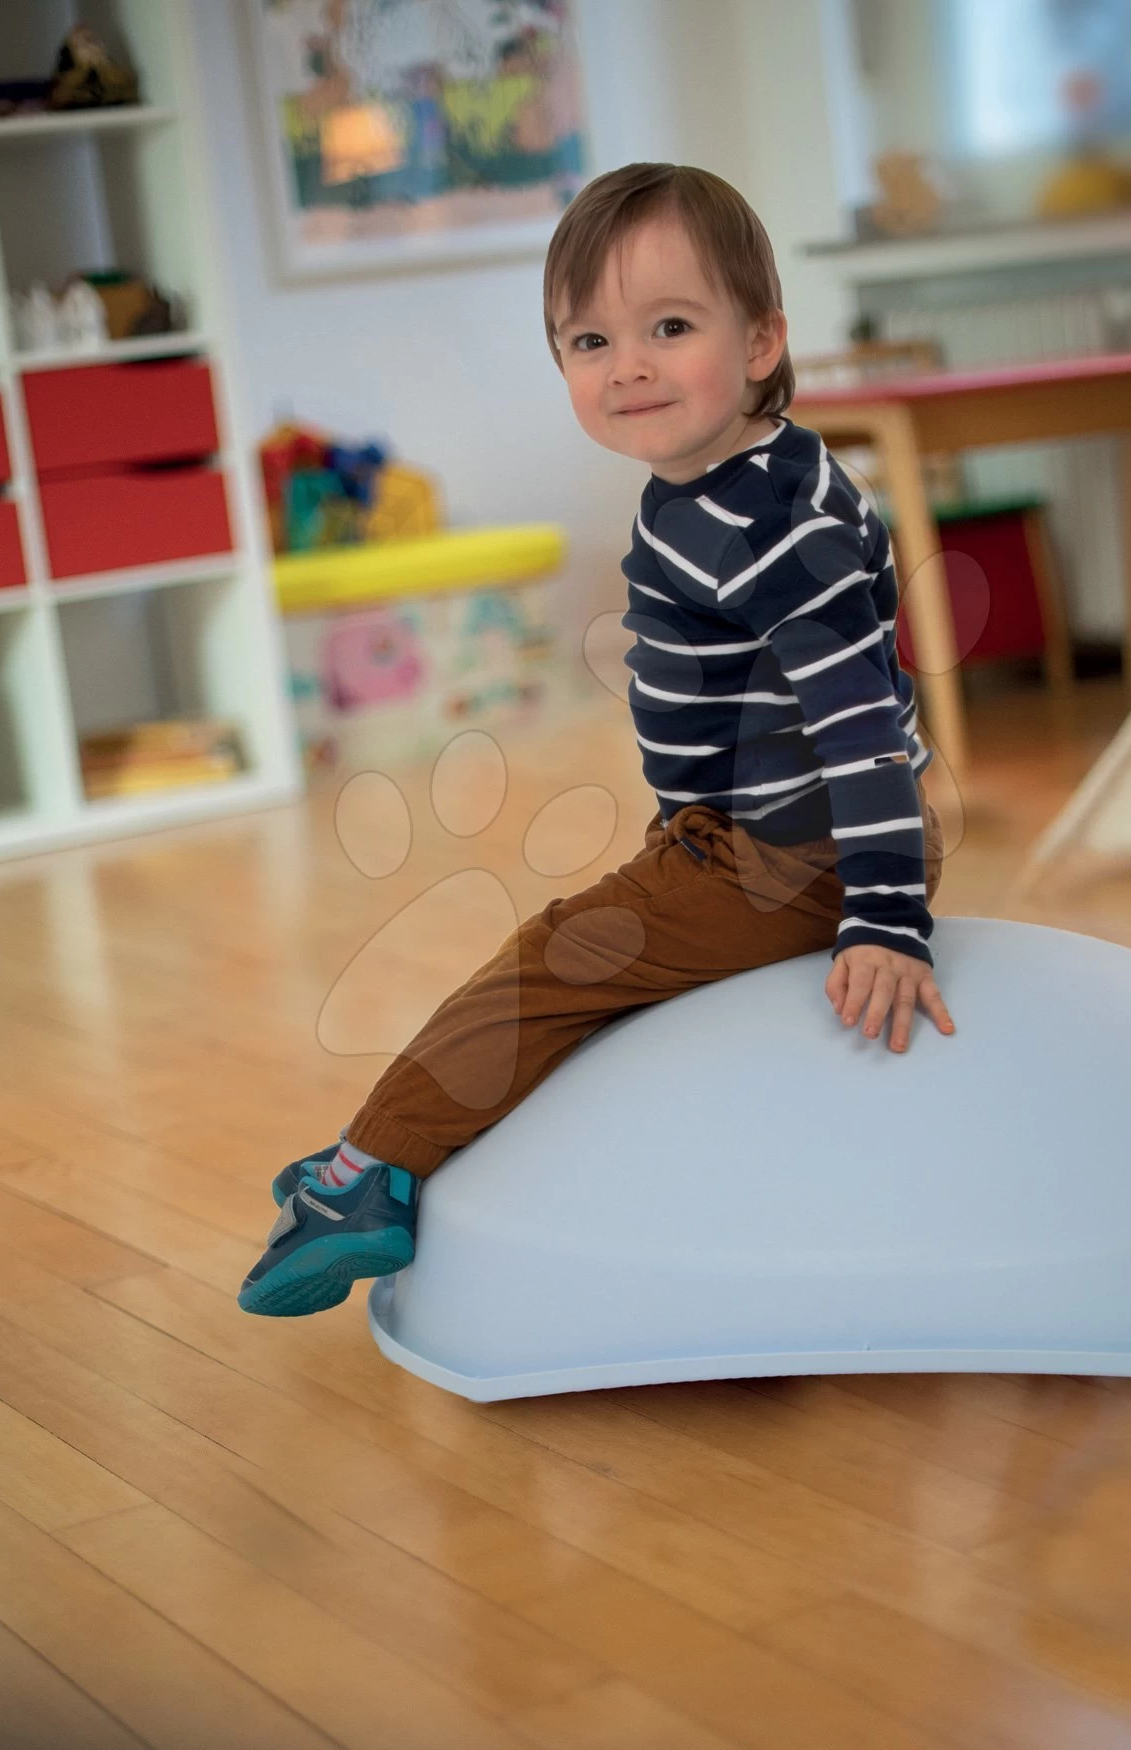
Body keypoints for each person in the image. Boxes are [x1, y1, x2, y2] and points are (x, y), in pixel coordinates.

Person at [238, 162, 954, 1319]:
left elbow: (860, 722)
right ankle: (401, 1135)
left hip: (788, 853)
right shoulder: (735, 475)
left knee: (548, 963)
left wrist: (883, 916)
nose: (627, 366)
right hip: (756, 832)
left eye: (668, 328)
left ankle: (368, 1170)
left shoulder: (768, 520)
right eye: (588, 341)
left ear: (760, 341)